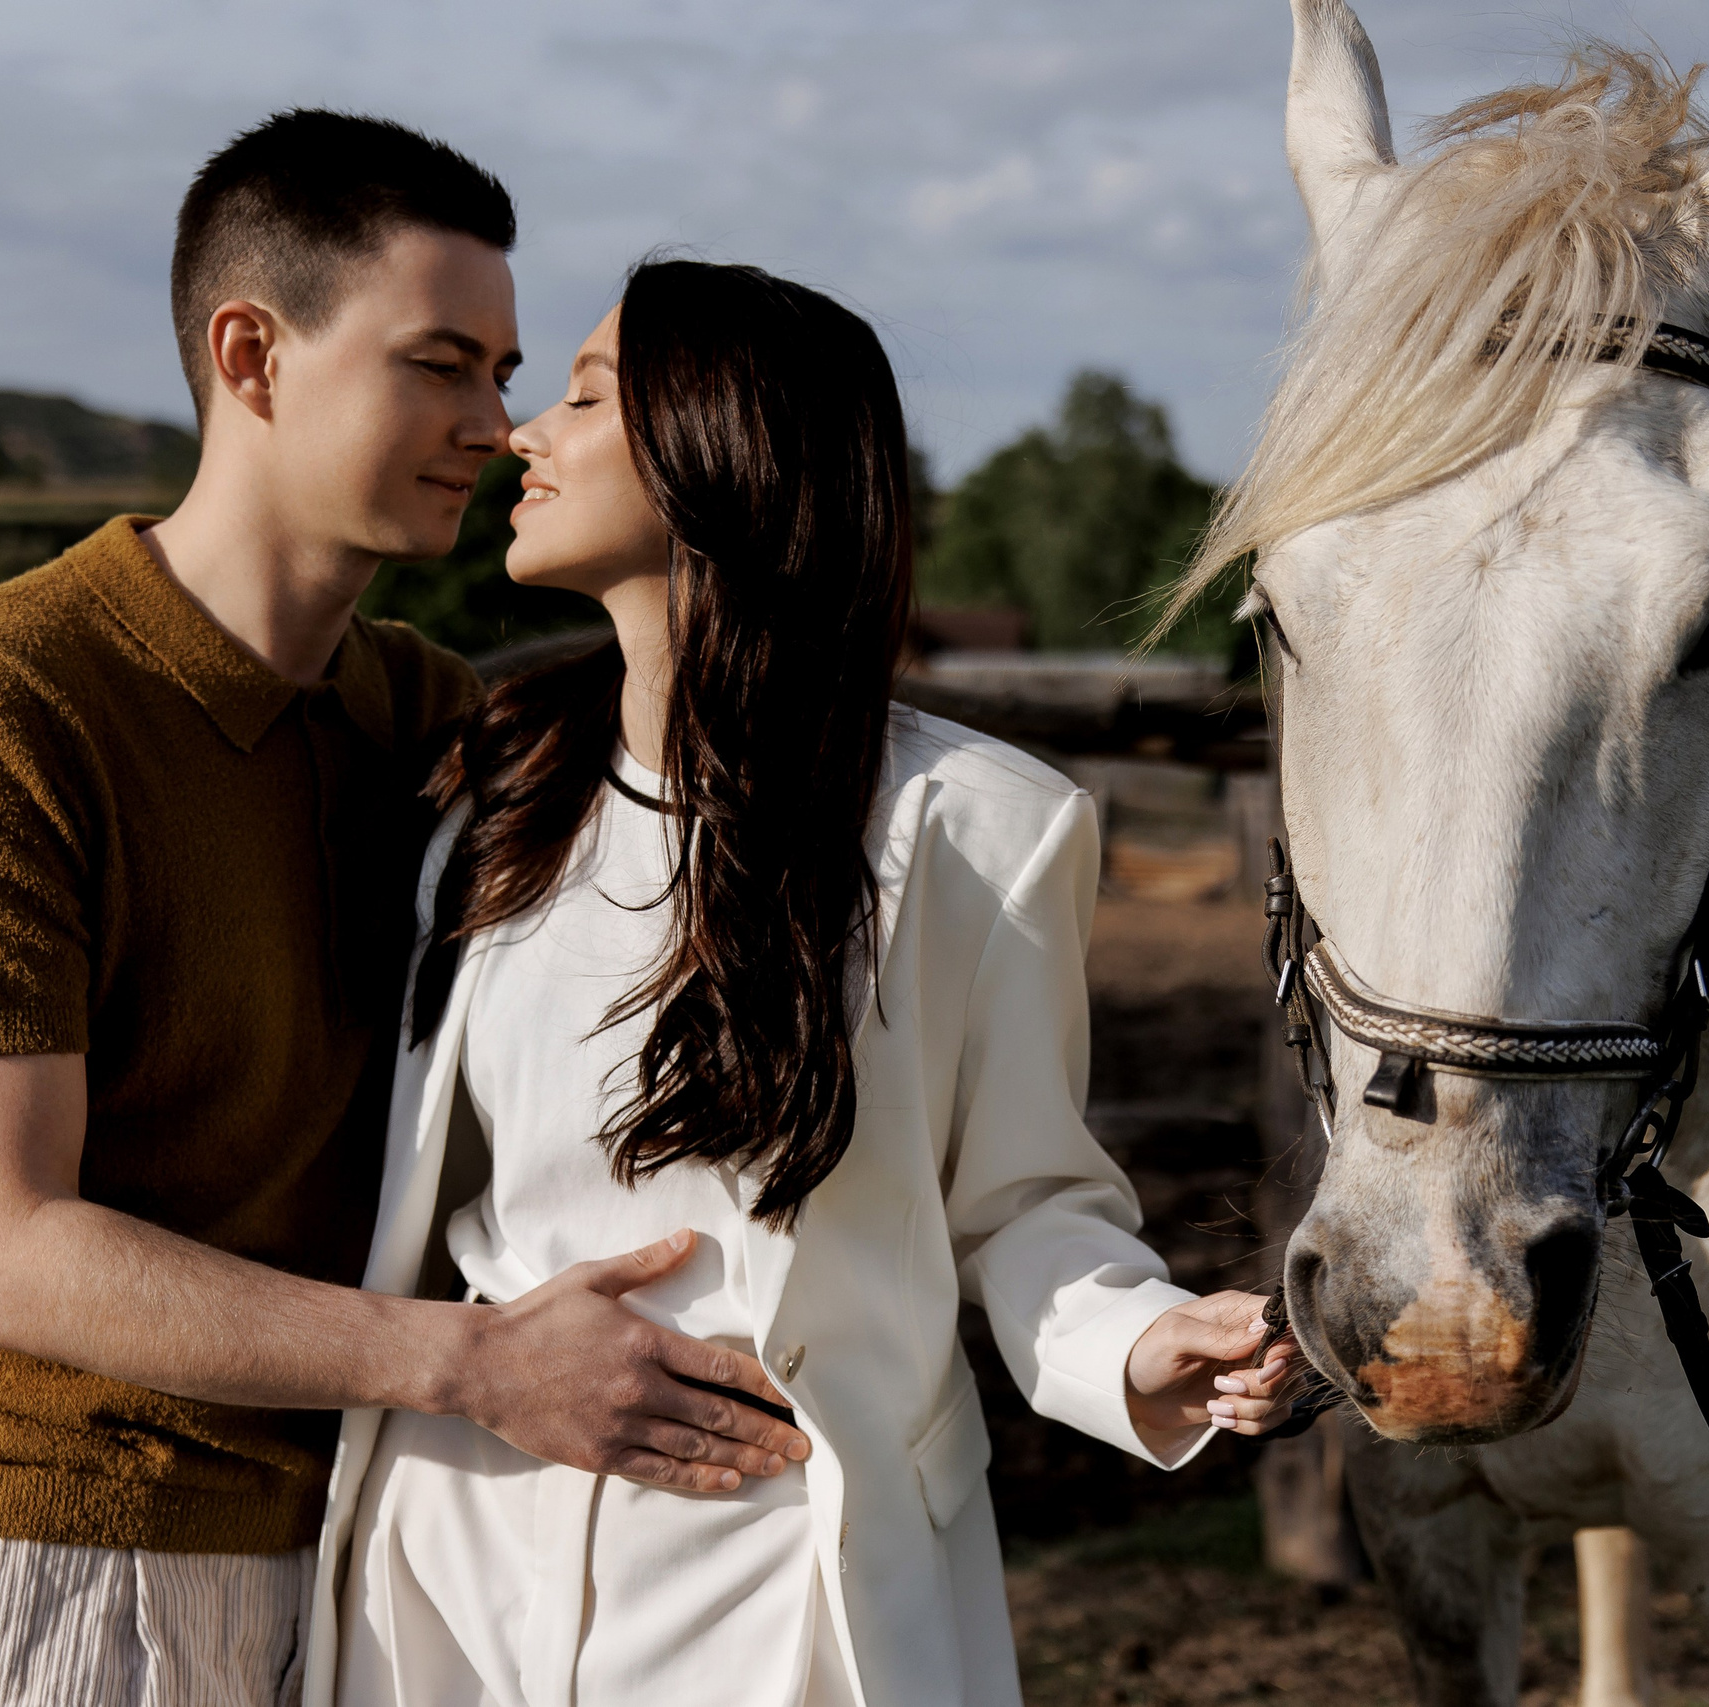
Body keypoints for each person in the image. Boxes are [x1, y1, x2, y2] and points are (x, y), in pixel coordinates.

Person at [0, 114, 800, 1707]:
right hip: (58, 1557)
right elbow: (2, 1253)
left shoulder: (423, 712)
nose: (493, 424)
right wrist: (479, 1367)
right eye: (439, 365)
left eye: (504, 374)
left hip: (367, 1543)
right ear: (252, 356)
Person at [306, 258, 1304, 1707]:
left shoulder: (978, 832)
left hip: (782, 1576)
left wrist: (1140, 1341)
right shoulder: (494, 794)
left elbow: (1022, 1203)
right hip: (451, 1567)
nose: (524, 433)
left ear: (718, 447)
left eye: (584, 396)